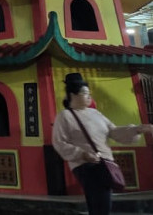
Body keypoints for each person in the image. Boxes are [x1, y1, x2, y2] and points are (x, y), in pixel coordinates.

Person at [52, 73, 153, 215]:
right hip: (86, 165)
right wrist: (83, 154)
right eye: (85, 93)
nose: (89, 96)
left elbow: (113, 131)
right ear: (72, 95)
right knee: (101, 203)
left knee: (101, 205)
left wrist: (137, 129)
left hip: (104, 163)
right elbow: (59, 142)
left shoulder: (95, 113)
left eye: (89, 93)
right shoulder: (64, 116)